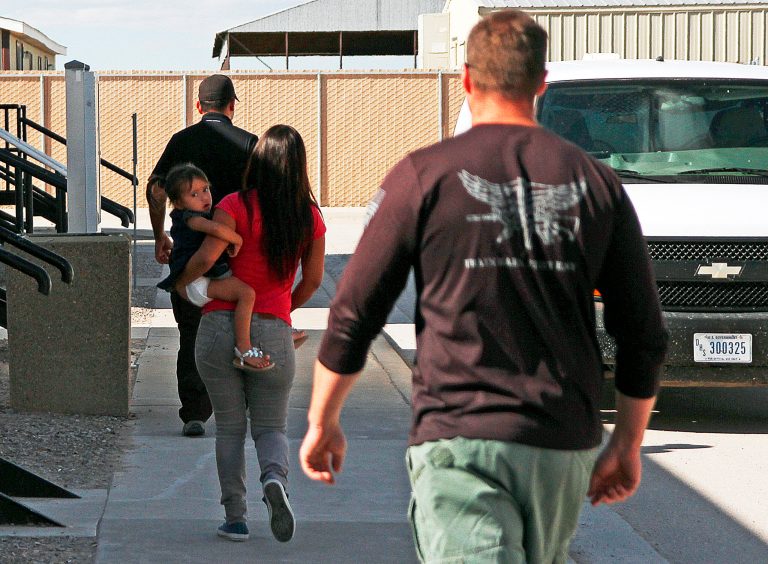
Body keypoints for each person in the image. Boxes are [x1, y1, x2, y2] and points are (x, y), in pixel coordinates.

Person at [300, 10, 668, 564]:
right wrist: (628, 442)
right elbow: (642, 332)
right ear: (541, 82)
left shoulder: (424, 175)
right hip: (560, 442)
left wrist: (322, 421)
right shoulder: (595, 182)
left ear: (467, 80)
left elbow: (354, 311)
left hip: (458, 437)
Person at [175, 124, 326, 543]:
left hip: (220, 326)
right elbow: (312, 282)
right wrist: (280, 309)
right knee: (271, 427)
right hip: (274, 332)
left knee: (228, 428)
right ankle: (274, 479)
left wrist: (182, 284)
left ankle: (235, 518)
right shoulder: (310, 217)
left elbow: (206, 259)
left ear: (257, 161)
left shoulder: (232, 205)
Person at [156, 162, 274, 373]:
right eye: (194, 194)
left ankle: (268, 333)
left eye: (206, 189)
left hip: (198, 281)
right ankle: (245, 348)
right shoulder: (191, 218)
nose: (204, 197)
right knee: (247, 294)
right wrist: (236, 239)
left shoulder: (189, 216)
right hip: (198, 283)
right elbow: (215, 229)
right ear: (178, 203)